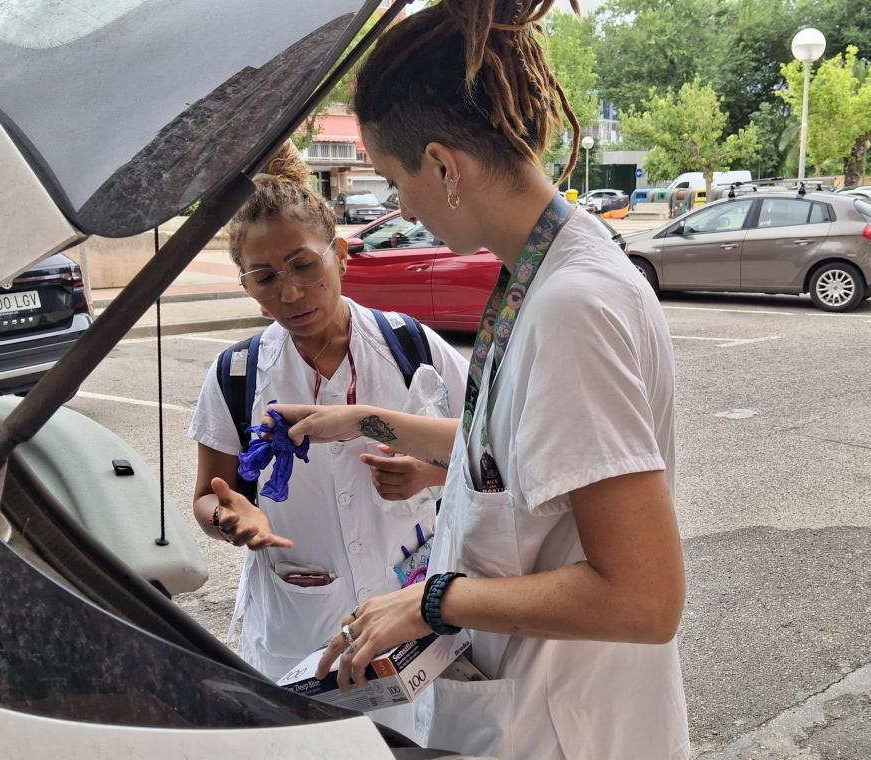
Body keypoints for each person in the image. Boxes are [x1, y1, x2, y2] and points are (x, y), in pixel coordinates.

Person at [265, 1, 690, 758]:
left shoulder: (572, 309)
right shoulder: (545, 266)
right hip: (534, 702)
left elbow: (644, 598)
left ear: (442, 166)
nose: (401, 206)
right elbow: (506, 456)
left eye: (397, 181)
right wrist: (360, 421)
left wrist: (428, 602)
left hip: (571, 724)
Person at [186, 142, 468, 736]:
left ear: (340, 254)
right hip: (297, 634)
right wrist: (230, 516)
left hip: (410, 622)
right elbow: (207, 497)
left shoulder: (408, 345)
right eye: (263, 277)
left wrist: (431, 473)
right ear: (245, 284)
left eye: (303, 266)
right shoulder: (237, 375)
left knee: (414, 743)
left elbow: (487, 451)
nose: (288, 294)